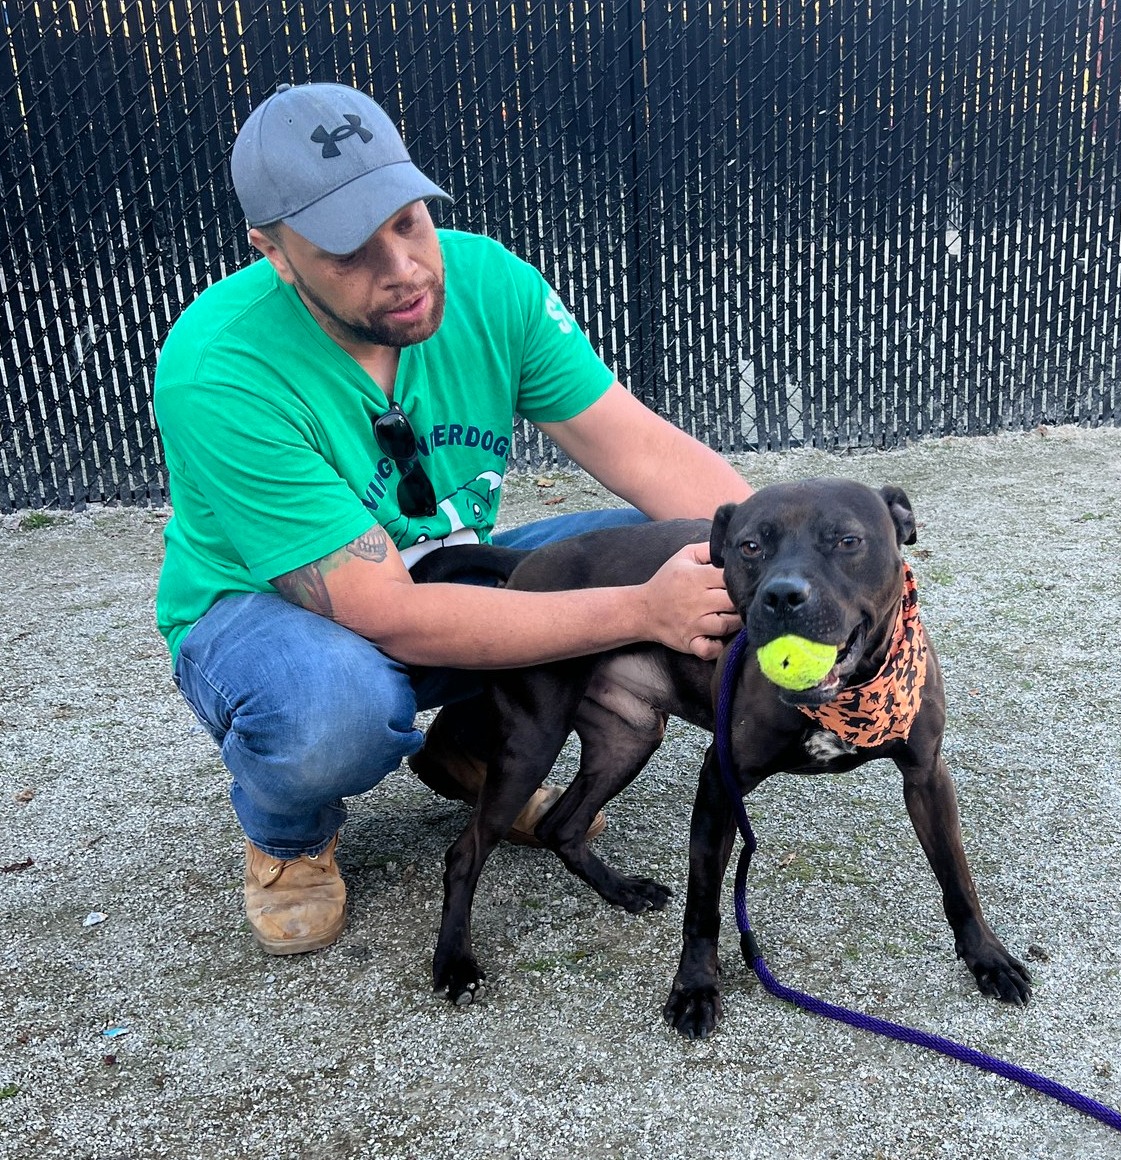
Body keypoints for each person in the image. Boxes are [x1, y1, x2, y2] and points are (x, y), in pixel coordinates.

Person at [152, 81, 752, 957]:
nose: (400, 267)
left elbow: (644, 452)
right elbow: (381, 611)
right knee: (336, 709)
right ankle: (290, 841)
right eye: (347, 251)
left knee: (661, 547)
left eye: (407, 220)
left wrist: (787, 563)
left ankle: (471, 756)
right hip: (268, 611)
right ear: (274, 253)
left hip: (451, 565)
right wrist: (641, 610)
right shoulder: (220, 368)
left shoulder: (487, 282)